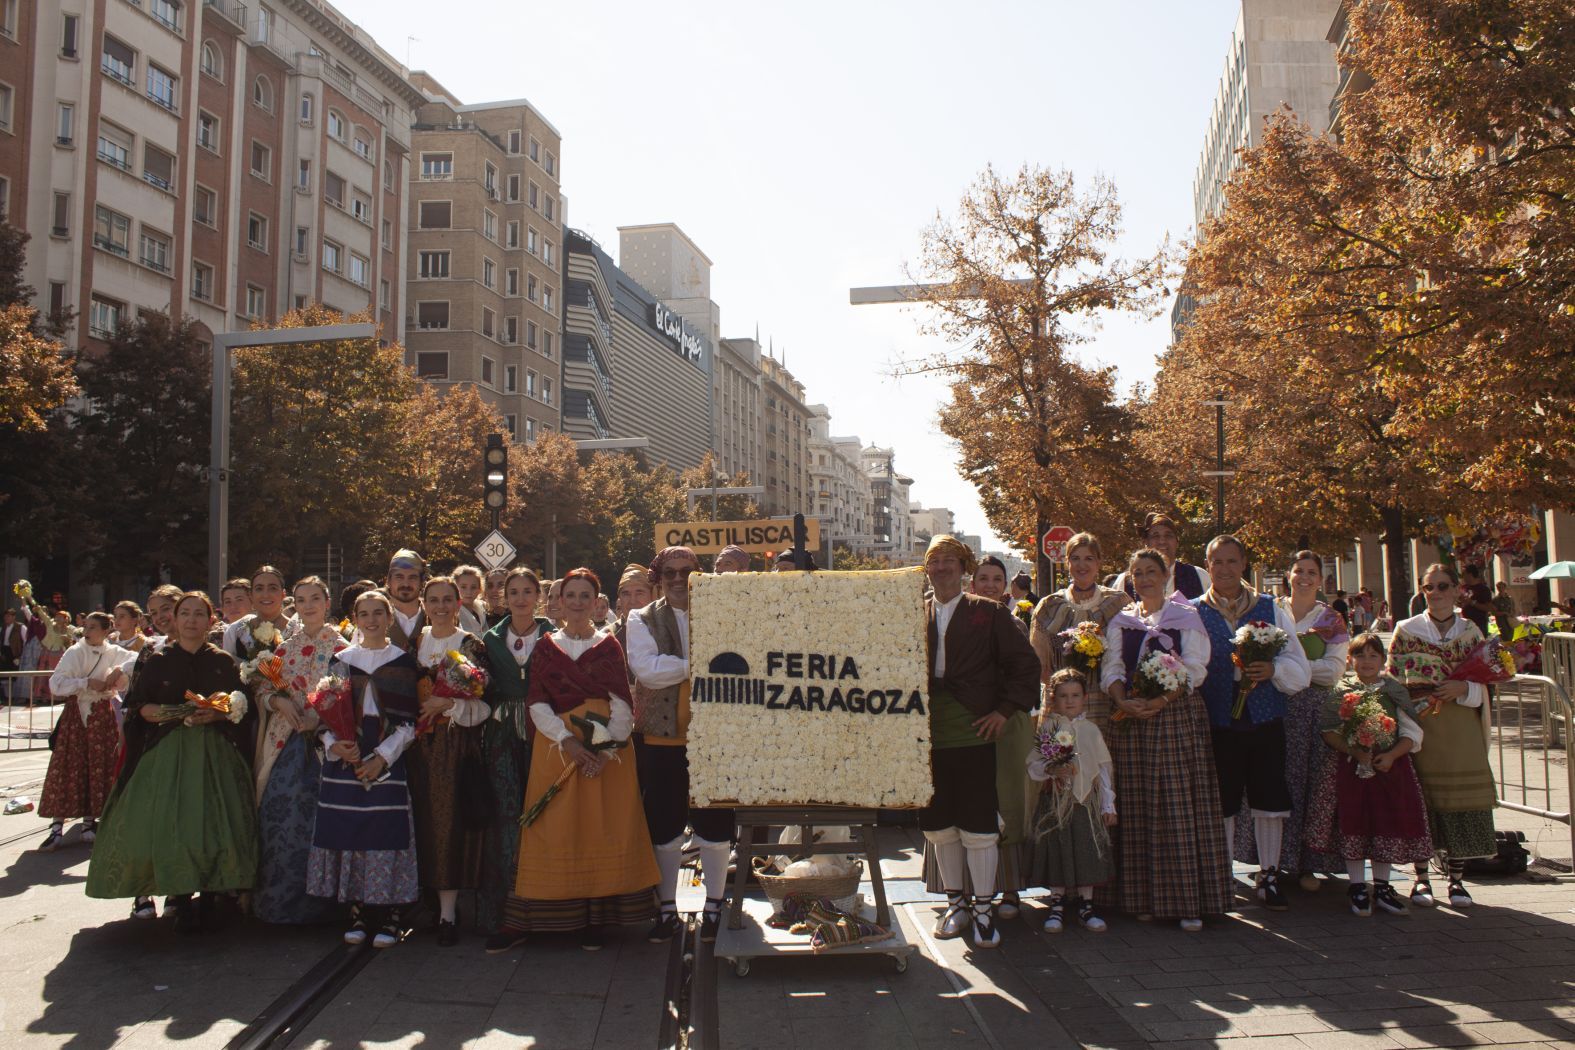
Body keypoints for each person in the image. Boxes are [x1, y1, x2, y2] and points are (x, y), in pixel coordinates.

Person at [86, 591, 258, 932]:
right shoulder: (158, 659)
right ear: (176, 621)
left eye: (199, 614)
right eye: (185, 614)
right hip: (167, 751)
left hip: (215, 752)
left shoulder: (223, 661)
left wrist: (219, 714)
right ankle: (177, 890)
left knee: (212, 818)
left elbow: (243, 705)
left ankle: (215, 885)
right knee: (170, 821)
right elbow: (139, 707)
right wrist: (169, 713)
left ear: (211, 621)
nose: (191, 620)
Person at [512, 568, 659, 949]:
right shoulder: (546, 646)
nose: (577, 603)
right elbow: (538, 702)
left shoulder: (609, 645)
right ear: (559, 603)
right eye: (570, 596)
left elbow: (622, 702)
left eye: (584, 596)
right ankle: (562, 916)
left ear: (596, 604)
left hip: (606, 753)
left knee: (601, 827)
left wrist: (606, 748)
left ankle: (601, 918)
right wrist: (569, 743)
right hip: (557, 749)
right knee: (559, 827)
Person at [920, 534, 1040, 949]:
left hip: (975, 733)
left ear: (964, 567)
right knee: (939, 826)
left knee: (979, 825)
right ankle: (957, 904)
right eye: (935, 561)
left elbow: (1025, 666)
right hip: (928, 737)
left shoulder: (988, 613)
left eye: (950, 560)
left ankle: (984, 910)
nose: (942, 568)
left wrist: (1003, 711)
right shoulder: (911, 614)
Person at [1102, 548, 1226, 932]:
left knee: (1176, 805)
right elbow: (1113, 666)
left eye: (1151, 571)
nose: (1144, 578)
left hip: (1174, 717)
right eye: (1137, 573)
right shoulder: (1122, 620)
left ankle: (1188, 900)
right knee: (1138, 806)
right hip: (1133, 718)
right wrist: (1124, 700)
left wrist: (1161, 698)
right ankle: (1141, 897)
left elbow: (1195, 667)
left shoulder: (1186, 616)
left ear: (1166, 573)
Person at [1194, 536, 1311, 911]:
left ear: (1243, 563)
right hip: (1218, 720)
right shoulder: (1194, 611)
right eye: (1217, 563)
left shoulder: (1270, 608)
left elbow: (1299, 668)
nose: (1224, 569)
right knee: (1223, 798)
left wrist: (1272, 669)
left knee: (1268, 796)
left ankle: (1270, 874)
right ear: (1207, 566)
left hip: (1262, 717)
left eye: (1231, 561)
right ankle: (1223, 875)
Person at [626, 546, 736, 942]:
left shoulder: (723, 610)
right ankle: (667, 908)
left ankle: (714, 905)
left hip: (715, 735)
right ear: (658, 577)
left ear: (698, 573)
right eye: (669, 572)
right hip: (661, 736)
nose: (677, 579)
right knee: (665, 823)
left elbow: (742, 659)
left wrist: (680, 665)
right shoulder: (640, 618)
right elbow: (648, 671)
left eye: (685, 571)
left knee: (716, 821)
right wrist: (703, 663)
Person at [307, 590, 422, 949]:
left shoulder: (403, 662)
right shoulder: (342, 660)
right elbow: (326, 713)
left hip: (385, 754)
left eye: (378, 613)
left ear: (389, 618)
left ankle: (389, 911)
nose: (371, 620)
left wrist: (381, 758)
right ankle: (357, 909)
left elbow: (409, 723)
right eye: (364, 613)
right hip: (347, 755)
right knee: (350, 830)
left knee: (385, 829)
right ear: (354, 618)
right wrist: (334, 744)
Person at [1389, 563, 1497, 910]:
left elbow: (1486, 685)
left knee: (1459, 802)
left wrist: (1462, 687)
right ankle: (1421, 878)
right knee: (1423, 798)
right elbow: (1392, 681)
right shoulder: (1406, 630)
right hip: (1422, 727)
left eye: (1442, 586)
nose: (1435, 593)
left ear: (1456, 591)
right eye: (1428, 587)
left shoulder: (1471, 632)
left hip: (1461, 725)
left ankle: (1457, 879)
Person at [1305, 633, 1431, 917]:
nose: (1367, 662)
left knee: (1384, 823)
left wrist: (1391, 755)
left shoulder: (1394, 690)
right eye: (1361, 656)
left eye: (1374, 656)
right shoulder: (1341, 690)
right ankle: (1357, 885)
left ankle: (1383, 886)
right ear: (1350, 659)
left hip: (1389, 768)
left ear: (1383, 660)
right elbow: (1328, 730)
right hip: (1349, 769)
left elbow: (1412, 731)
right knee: (1354, 821)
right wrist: (1354, 750)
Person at [252, 576, 344, 925]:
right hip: (285, 742)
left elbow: (347, 692)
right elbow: (263, 686)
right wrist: (276, 700)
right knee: (281, 816)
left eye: (315, 598)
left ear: (327, 602)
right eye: (301, 599)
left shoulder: (342, 646)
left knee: (323, 821)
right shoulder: (283, 648)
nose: (308, 605)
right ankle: (281, 904)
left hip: (325, 744)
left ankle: (325, 907)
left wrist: (319, 716)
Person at [408, 575, 492, 946]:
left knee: (447, 823)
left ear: (459, 604)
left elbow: (488, 701)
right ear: (425, 604)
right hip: (414, 745)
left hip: (454, 744)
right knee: (418, 821)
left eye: (447, 600)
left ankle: (447, 913)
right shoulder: (414, 642)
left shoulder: (470, 644)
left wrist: (448, 703)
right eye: (434, 600)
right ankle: (421, 904)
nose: (440, 606)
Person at [1259, 551, 1350, 892]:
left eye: (1312, 571)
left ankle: (1306, 864)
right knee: (1275, 782)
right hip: (1275, 706)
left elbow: (1335, 670)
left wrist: (1293, 669)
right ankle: (1271, 862)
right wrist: (1298, 669)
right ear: (1288, 574)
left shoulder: (1330, 619)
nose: (1304, 577)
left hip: (1312, 710)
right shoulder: (1271, 610)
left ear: (1321, 577)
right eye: (1299, 570)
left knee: (1311, 786)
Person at [479, 567, 554, 950]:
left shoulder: (553, 636)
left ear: (538, 596)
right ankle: (507, 912)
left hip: (544, 730)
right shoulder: (490, 639)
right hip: (502, 733)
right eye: (514, 592)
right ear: (502, 597)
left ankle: (548, 910)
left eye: (528, 591)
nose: (521, 598)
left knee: (544, 813)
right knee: (507, 815)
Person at [38, 613, 137, 850]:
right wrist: (85, 683)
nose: (87, 631)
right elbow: (56, 683)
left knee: (99, 764)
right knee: (69, 764)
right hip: (78, 715)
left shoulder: (112, 651)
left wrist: (118, 671)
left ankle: (89, 823)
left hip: (102, 714)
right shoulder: (75, 651)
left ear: (105, 631)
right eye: (86, 626)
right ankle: (56, 828)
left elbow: (139, 658)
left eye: (93, 627)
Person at [1028, 669, 1116, 934]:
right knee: (1058, 850)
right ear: (1053, 699)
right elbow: (1033, 765)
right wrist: (1052, 770)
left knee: (1086, 851)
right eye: (1063, 696)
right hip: (1056, 801)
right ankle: (1056, 904)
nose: (1070, 701)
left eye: (1075, 695)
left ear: (1085, 698)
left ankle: (1086, 906)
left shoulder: (1091, 730)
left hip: (1085, 802)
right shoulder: (1048, 727)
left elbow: (1102, 769)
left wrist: (1108, 804)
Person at [1029, 532, 1129, 732]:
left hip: (1106, 701)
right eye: (1075, 558)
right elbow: (1040, 666)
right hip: (1061, 703)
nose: (1082, 565)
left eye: (1088, 558)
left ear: (1099, 562)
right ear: (1067, 562)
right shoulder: (1049, 606)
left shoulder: (1118, 602)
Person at [1115, 512, 1211, 601]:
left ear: (1177, 542)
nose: (1162, 541)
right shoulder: (1125, 582)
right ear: (1146, 542)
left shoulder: (1198, 576)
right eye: (1155, 536)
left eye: (1168, 535)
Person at [385, 549, 427, 652]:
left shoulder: (435, 618)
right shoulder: (375, 619)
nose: (406, 584)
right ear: (389, 581)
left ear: (422, 582)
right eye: (399, 577)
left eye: (412, 578)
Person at [453, 564, 490, 636]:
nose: (468, 592)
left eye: (473, 587)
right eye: (463, 587)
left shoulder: (482, 607)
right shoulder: (452, 612)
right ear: (455, 588)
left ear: (479, 589)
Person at [1459, 565, 1493, 638]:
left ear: (1470, 574)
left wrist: (1472, 602)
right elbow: (1461, 603)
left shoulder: (1483, 589)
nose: (1462, 577)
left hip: (1479, 624)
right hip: (1465, 623)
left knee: (1479, 647)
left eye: (1464, 574)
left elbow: (1488, 608)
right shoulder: (1463, 588)